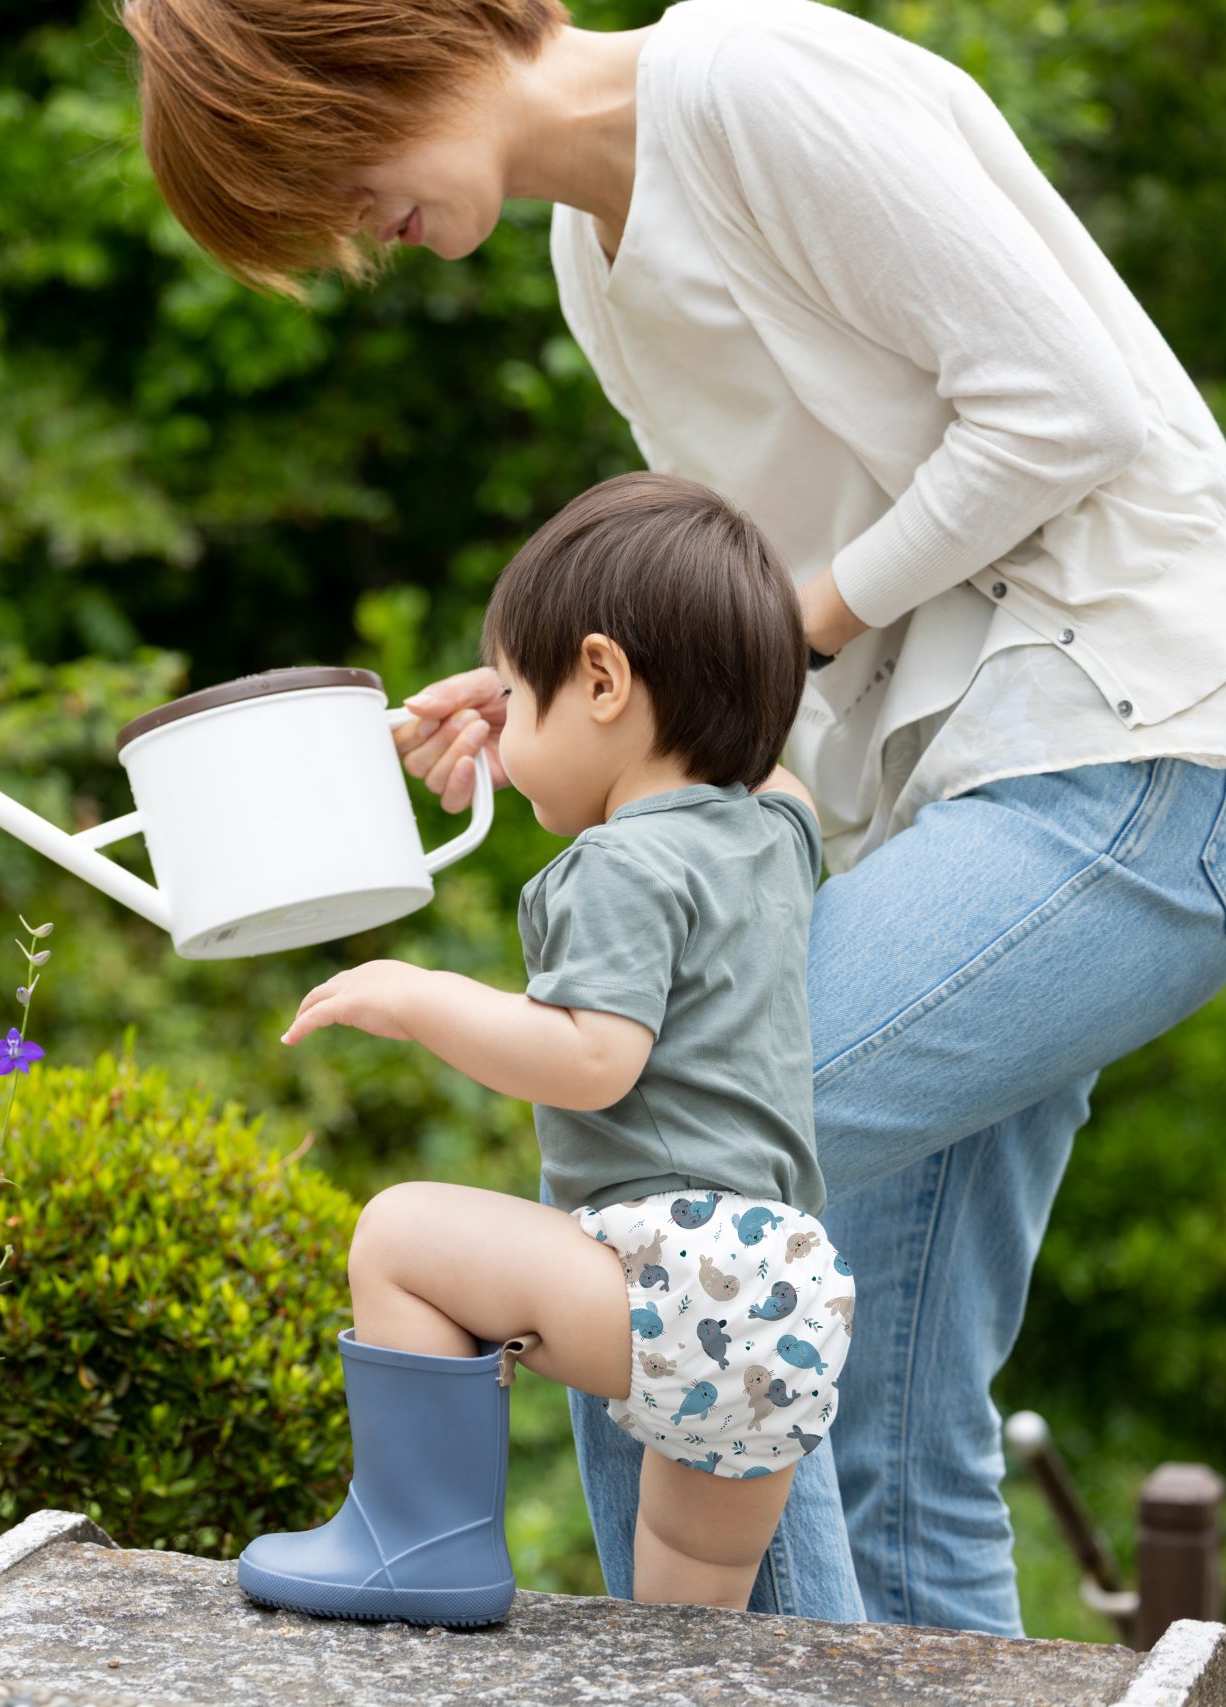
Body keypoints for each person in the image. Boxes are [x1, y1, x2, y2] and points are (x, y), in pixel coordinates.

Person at [124, 0, 1226, 1632]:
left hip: (1125, 750)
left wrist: (784, 630)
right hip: (948, 814)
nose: (351, 231)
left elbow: (1065, 414)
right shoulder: (590, 265)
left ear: (380, 47)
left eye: (324, 167)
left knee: (659, 1206)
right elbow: (757, 668)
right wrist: (577, 725)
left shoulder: (753, 83)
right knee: (887, 1433)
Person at [254, 471, 851, 1625]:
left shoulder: (617, 863)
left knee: (400, 1236)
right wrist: (535, 692)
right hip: (788, 1291)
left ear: (601, 679)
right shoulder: (772, 835)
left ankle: (414, 1545)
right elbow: (772, 768)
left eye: (519, 701)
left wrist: (419, 996)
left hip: (675, 1268)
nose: (505, 732)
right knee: (687, 1640)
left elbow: (592, 1059)